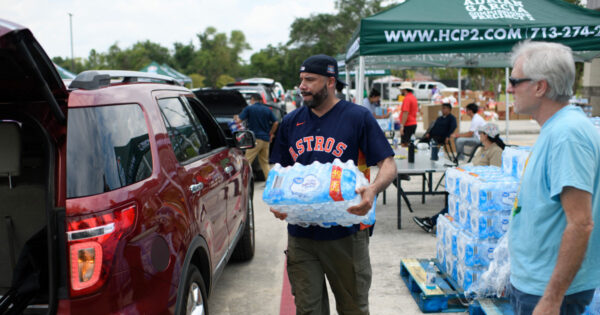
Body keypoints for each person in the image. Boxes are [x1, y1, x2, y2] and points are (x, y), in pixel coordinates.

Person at [269, 54, 397, 315]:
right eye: (301, 79)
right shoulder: (291, 122)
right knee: (308, 309)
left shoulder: (357, 117)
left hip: (346, 233)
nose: (302, 85)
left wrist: (372, 189)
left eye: (310, 80)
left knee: (353, 309)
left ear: (330, 82)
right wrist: (277, 200)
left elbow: (388, 164)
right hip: (301, 234)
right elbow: (279, 171)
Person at [507, 41, 600, 315]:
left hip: (549, 292)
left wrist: (551, 298)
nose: (509, 88)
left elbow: (581, 223)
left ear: (540, 86)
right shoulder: (558, 128)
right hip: (537, 284)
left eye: (514, 80)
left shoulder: (567, 135)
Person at [413, 122, 505, 233]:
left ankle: (432, 222)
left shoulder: (496, 151)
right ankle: (435, 222)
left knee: (458, 202)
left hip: (482, 189)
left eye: (480, 133)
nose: (479, 135)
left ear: (486, 135)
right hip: (473, 182)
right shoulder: (482, 149)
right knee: (454, 197)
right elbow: (474, 165)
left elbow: (495, 174)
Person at [235, 93, 279, 180]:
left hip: (255, 140)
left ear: (252, 99)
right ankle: (270, 181)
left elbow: (239, 121)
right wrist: (271, 133)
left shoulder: (249, 108)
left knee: (246, 161)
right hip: (266, 139)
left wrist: (235, 118)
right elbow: (276, 122)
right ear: (261, 100)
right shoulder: (267, 110)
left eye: (250, 100)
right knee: (265, 162)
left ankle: (242, 180)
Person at [398, 81, 418, 146]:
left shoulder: (407, 99)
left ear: (404, 90)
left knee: (404, 144)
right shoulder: (413, 98)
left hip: (407, 124)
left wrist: (402, 126)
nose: (401, 91)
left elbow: (405, 113)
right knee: (410, 144)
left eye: (401, 90)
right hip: (413, 123)